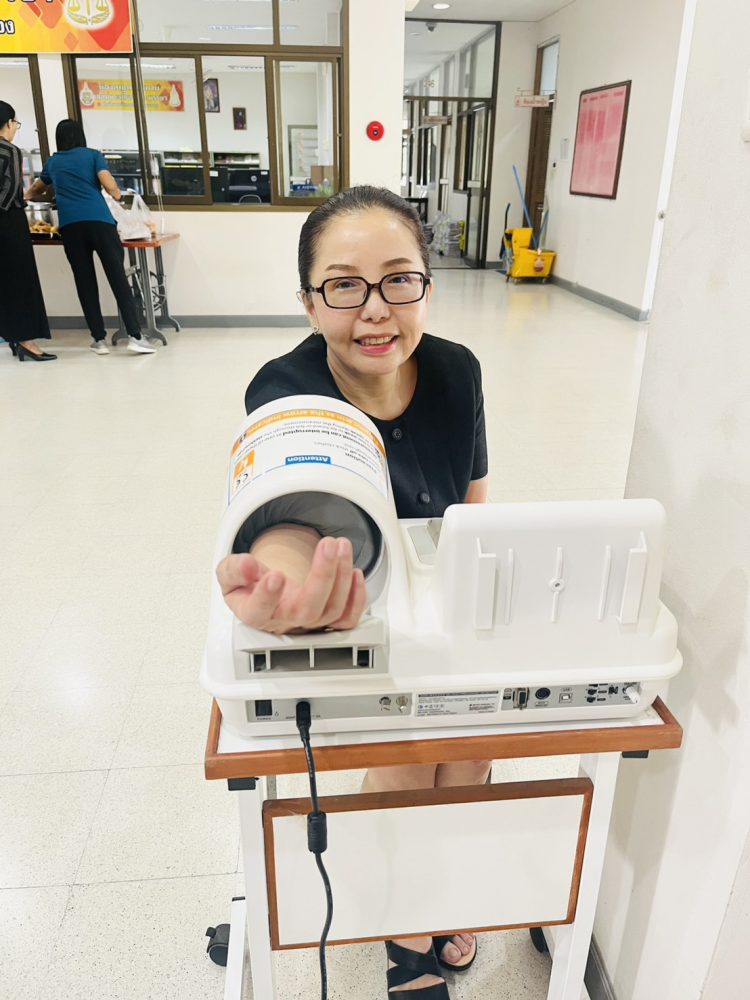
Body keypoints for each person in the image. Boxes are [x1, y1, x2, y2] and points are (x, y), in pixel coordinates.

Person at [217, 186, 489, 998]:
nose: (375, 309)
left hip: (436, 605)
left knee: (472, 751)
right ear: (309, 300)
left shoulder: (457, 370)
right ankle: (407, 930)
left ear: (427, 285)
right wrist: (285, 581)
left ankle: (435, 884)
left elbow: (473, 505)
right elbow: (292, 514)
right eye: (343, 285)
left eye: (399, 279)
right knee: (408, 762)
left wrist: (471, 598)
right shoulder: (284, 388)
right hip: (357, 614)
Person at [25, 119, 155, 356]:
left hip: (71, 227)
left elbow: (35, 190)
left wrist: (24, 196)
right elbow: (110, 186)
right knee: (118, 278)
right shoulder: (93, 156)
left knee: (84, 282)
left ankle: (99, 340)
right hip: (100, 223)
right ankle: (136, 336)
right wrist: (118, 196)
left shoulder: (53, 162)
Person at [0, 101, 56, 361]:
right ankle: (25, 341)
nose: (15, 128)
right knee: (21, 280)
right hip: (8, 222)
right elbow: (11, 192)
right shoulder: (9, 150)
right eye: (15, 123)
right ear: (8, 123)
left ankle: (12, 336)